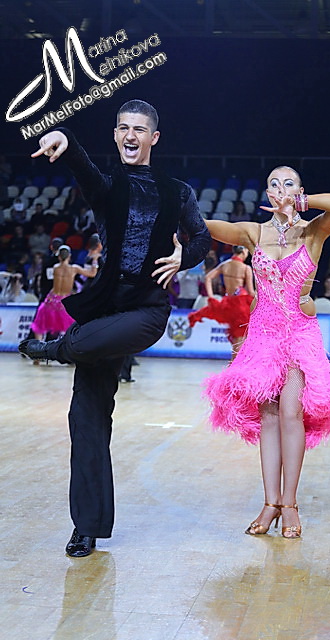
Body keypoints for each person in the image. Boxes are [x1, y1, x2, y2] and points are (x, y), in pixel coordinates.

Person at [19, 99, 211, 557]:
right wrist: (66, 142)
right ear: (115, 134)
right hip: (103, 307)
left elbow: (201, 236)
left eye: (139, 129)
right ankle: (87, 526)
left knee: (83, 345)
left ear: (153, 138)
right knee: (86, 419)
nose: (130, 135)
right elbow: (84, 170)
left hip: (146, 310)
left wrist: (184, 256)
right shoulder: (107, 187)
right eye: (123, 128)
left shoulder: (177, 191)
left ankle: (57, 348)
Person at [201, 166, 330, 539]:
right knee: (269, 416)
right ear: (266, 193)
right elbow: (207, 226)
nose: (280, 188)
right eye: (274, 183)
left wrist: (301, 203)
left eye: (288, 183)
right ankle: (270, 502)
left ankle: (289, 504)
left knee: (292, 412)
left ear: (300, 190)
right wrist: (174, 214)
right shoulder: (254, 233)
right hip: (263, 335)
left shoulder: (313, 231)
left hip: (299, 334)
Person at [189, 245, 255, 358]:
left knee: (236, 336)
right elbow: (251, 292)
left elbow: (208, 278)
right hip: (242, 305)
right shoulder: (245, 268)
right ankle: (236, 363)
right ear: (244, 252)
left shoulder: (225, 264)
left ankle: (234, 362)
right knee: (241, 337)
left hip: (229, 303)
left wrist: (211, 297)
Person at [30, 245, 97, 339]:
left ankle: (38, 345)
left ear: (59, 257)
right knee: (70, 328)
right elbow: (92, 274)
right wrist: (95, 260)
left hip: (51, 299)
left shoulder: (55, 267)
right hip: (64, 302)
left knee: (40, 325)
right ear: (69, 256)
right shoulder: (74, 269)